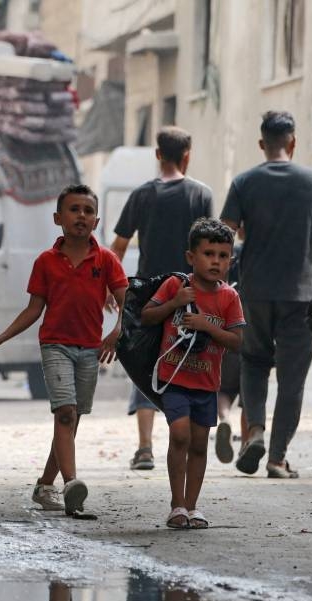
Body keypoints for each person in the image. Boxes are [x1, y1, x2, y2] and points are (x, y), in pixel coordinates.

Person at [0, 184, 128, 517]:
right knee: (65, 413)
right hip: (55, 346)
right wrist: (1, 338)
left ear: (97, 220)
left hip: (90, 349)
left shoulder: (105, 259)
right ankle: (71, 485)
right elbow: (34, 309)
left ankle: (45, 484)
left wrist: (118, 330)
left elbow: (125, 300)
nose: (81, 216)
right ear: (57, 217)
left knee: (71, 419)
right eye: (74, 210)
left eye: (88, 211)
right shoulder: (46, 261)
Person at [221, 110, 312, 479]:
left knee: (254, 363)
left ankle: (254, 429)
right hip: (301, 293)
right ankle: (276, 458)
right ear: (293, 142)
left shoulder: (244, 182)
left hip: (255, 291)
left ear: (262, 143)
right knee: (292, 380)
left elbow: (226, 233)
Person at [110, 126, 213, 471]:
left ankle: (144, 448)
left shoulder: (141, 195)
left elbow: (119, 247)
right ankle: (188, 437)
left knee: (147, 362)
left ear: (158, 155)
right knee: (186, 362)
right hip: (190, 292)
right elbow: (209, 244)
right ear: (188, 155)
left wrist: (112, 289)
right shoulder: (201, 195)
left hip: (151, 295)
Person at [141, 219, 244, 529]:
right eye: (208, 253)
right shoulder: (176, 286)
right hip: (174, 380)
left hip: (206, 384)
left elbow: (238, 342)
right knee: (180, 435)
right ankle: (176, 504)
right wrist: (174, 303)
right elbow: (147, 316)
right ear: (191, 257)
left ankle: (192, 505)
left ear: (231, 261)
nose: (216, 261)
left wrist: (208, 327)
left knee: (199, 444)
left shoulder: (229, 298)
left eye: (223, 256)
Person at [215, 241, 248, 464]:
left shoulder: (228, 254)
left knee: (224, 389)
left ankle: (224, 419)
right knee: (250, 393)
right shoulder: (259, 254)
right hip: (252, 335)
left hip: (226, 338)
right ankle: (247, 443)